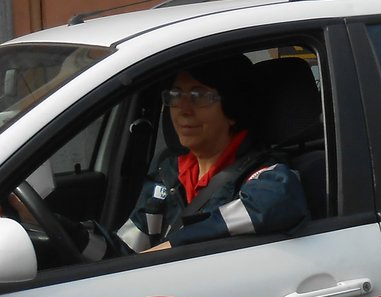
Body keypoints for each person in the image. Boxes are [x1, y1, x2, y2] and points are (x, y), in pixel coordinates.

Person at [117, 54, 309, 252]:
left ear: (232, 109)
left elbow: (275, 205)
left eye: (198, 96)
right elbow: (126, 252)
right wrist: (85, 240)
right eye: (175, 95)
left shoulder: (267, 174)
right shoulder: (167, 173)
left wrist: (176, 245)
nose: (183, 109)